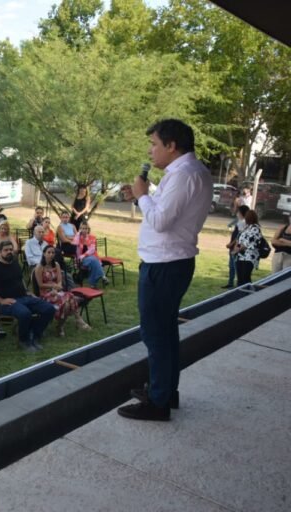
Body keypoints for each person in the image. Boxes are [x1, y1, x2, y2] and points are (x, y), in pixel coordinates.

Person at [118, 119, 212, 422]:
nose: (151, 150)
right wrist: (143, 194)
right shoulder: (186, 173)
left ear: (171, 146)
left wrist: (143, 194)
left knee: (155, 333)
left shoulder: (184, 175)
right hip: (171, 263)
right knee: (166, 331)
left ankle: (158, 403)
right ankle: (165, 391)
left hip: (164, 265)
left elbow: (161, 221)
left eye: (155, 144)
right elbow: (167, 208)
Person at [0, 240, 55, 352]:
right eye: (6, 250)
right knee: (25, 313)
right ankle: (24, 340)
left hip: (24, 297)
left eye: (11, 249)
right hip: (7, 303)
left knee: (49, 309)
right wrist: (0, 300)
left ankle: (34, 334)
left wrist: (28, 292)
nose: (9, 252)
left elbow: (19, 281)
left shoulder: (15, 264)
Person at [35, 245, 90, 337]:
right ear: (44, 254)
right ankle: (76, 320)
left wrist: (57, 287)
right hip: (45, 294)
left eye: (53, 252)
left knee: (68, 301)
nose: (51, 254)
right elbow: (40, 285)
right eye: (49, 252)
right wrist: (52, 287)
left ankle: (61, 326)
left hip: (57, 291)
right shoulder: (39, 267)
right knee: (69, 297)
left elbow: (60, 281)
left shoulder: (56, 265)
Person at [232, 209, 262, 285]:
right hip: (240, 256)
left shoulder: (255, 228)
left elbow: (247, 243)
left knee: (245, 278)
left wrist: (236, 250)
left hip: (249, 257)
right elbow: (240, 239)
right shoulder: (246, 228)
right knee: (240, 279)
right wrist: (236, 247)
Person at [73, 222, 108, 288]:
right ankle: (102, 277)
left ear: (88, 229)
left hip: (90, 257)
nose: (84, 230)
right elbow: (75, 243)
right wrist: (78, 234)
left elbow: (92, 249)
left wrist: (84, 255)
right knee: (94, 260)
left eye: (86, 228)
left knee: (93, 261)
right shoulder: (77, 237)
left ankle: (93, 284)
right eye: (82, 228)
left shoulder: (92, 237)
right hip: (81, 259)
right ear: (80, 229)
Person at [223, 205, 249, 288]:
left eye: (238, 212)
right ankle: (230, 283)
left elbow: (239, 236)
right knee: (231, 265)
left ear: (241, 213)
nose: (237, 213)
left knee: (235, 265)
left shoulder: (243, 222)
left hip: (236, 247)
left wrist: (232, 244)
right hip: (234, 246)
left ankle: (238, 284)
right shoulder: (240, 221)